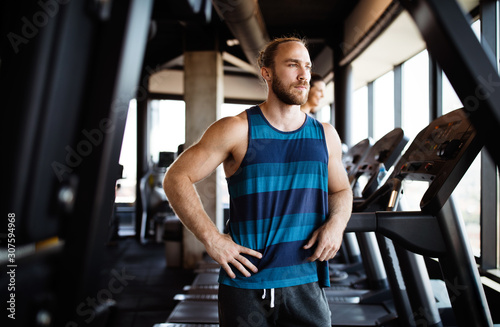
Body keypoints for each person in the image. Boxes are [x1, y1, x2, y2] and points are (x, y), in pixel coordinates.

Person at [163, 36, 353, 326]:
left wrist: (336, 225)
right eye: (292, 65)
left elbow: (340, 190)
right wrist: (212, 240)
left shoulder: (325, 135)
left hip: (307, 283)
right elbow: (176, 177)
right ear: (267, 72)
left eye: (307, 66)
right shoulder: (236, 129)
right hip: (246, 285)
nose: (304, 75)